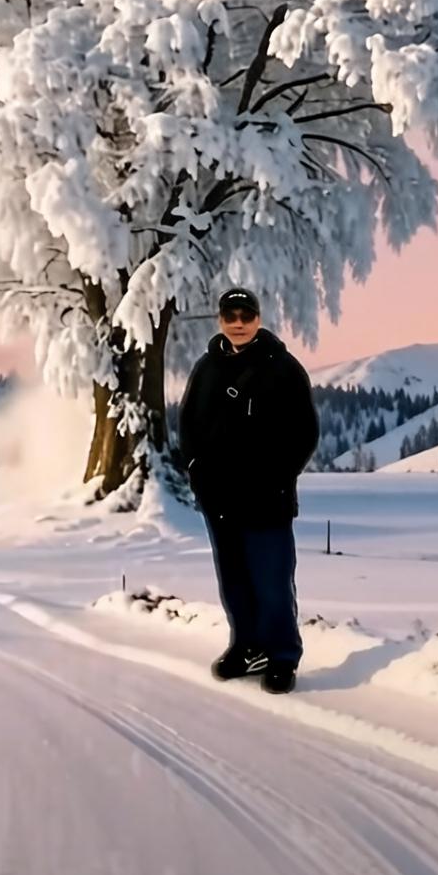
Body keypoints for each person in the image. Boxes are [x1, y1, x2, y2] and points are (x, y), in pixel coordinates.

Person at [178, 287, 320, 693]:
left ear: (258, 319)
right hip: (219, 500)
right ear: (220, 320)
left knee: (272, 581)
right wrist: (195, 472)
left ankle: (282, 656)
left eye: (246, 315)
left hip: (266, 499)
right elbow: (188, 427)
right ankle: (248, 647)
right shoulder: (205, 369)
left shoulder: (284, 368)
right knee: (234, 580)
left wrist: (278, 479)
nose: (237, 323)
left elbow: (304, 433)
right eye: (230, 316)